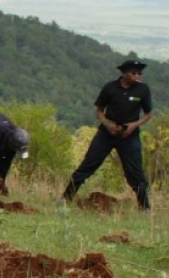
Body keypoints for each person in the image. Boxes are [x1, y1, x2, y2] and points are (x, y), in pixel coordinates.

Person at [62, 59, 153, 210]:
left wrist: (134, 125)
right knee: (88, 165)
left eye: (139, 73)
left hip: (129, 135)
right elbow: (99, 111)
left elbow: (148, 114)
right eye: (133, 73)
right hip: (107, 134)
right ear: (124, 73)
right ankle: (65, 199)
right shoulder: (110, 88)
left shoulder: (143, 90)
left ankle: (145, 208)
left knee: (135, 172)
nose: (137, 76)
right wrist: (108, 125)